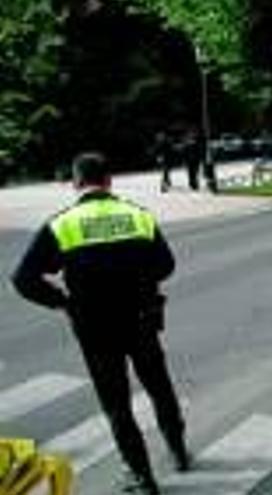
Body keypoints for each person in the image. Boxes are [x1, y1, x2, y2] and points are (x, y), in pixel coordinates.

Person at [11, 153, 190, 495]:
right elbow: (166, 265)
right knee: (159, 385)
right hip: (141, 318)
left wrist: (63, 301)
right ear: (110, 181)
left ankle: (142, 476)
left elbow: (23, 279)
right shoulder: (137, 215)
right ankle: (179, 451)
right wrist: (138, 282)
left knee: (116, 402)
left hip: (94, 328)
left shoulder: (62, 224)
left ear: (76, 184)